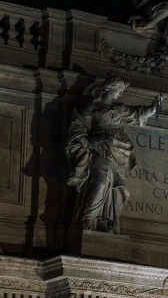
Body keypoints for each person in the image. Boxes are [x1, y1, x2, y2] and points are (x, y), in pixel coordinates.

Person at [66, 75, 162, 233]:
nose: (120, 93)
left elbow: (139, 114)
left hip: (119, 153)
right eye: (119, 89)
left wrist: (154, 106)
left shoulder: (120, 109)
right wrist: (85, 141)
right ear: (109, 88)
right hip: (99, 149)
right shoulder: (92, 107)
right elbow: (78, 125)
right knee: (100, 183)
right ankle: (88, 218)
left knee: (115, 188)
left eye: (122, 90)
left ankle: (106, 221)